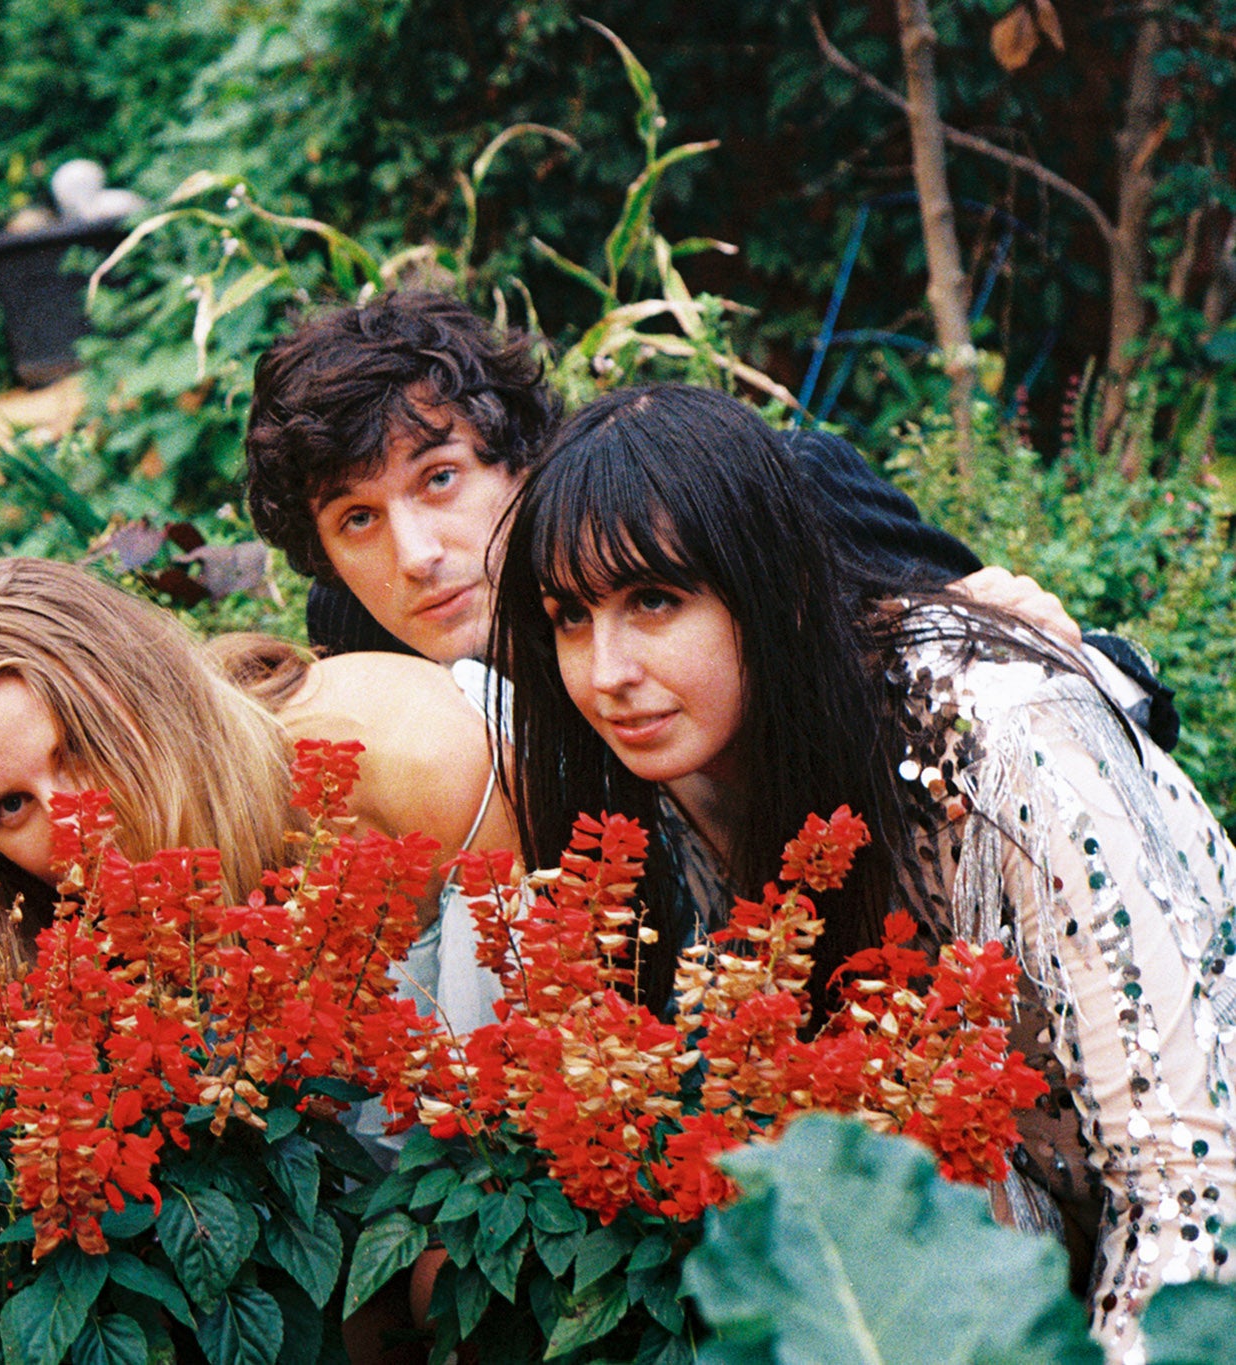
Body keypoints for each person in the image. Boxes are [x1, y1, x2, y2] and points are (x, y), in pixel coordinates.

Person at [487, 382, 1236, 1361]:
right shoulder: (686, 752)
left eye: (654, 600)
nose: (604, 670)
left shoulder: (1012, 746)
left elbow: (1188, 1179)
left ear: (778, 591)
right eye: (569, 617)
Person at [240, 290, 1181, 748]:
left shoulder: (767, 499)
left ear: (522, 458)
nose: (414, 555)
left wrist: (1053, 653)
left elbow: (1069, 686)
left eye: (440, 477)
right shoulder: (365, 645)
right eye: (356, 519)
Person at [0, 557, 509, 986]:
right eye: (9, 807)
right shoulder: (46, 935)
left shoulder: (407, 754)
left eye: (80, 746)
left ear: (150, 689)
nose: (74, 823)